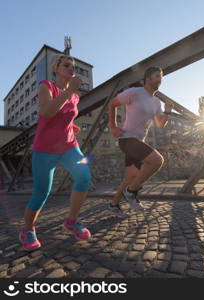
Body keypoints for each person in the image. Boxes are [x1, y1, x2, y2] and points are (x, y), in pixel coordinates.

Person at [20, 54, 92, 251]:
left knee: (84, 176)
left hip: (69, 145)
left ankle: (72, 221)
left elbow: (64, 114)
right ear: (56, 69)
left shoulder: (75, 96)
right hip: (45, 148)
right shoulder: (46, 86)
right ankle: (27, 230)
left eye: (73, 66)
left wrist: (72, 125)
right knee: (42, 192)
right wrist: (69, 91)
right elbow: (47, 112)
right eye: (66, 65)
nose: (71, 69)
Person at [108, 67, 173, 217]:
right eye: (157, 76)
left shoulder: (156, 102)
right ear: (148, 78)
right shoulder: (134, 93)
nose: (160, 80)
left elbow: (160, 124)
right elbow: (112, 104)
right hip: (127, 139)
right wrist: (112, 127)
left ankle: (113, 205)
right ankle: (131, 192)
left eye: (161, 77)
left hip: (138, 141)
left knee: (131, 176)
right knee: (157, 160)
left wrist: (167, 111)